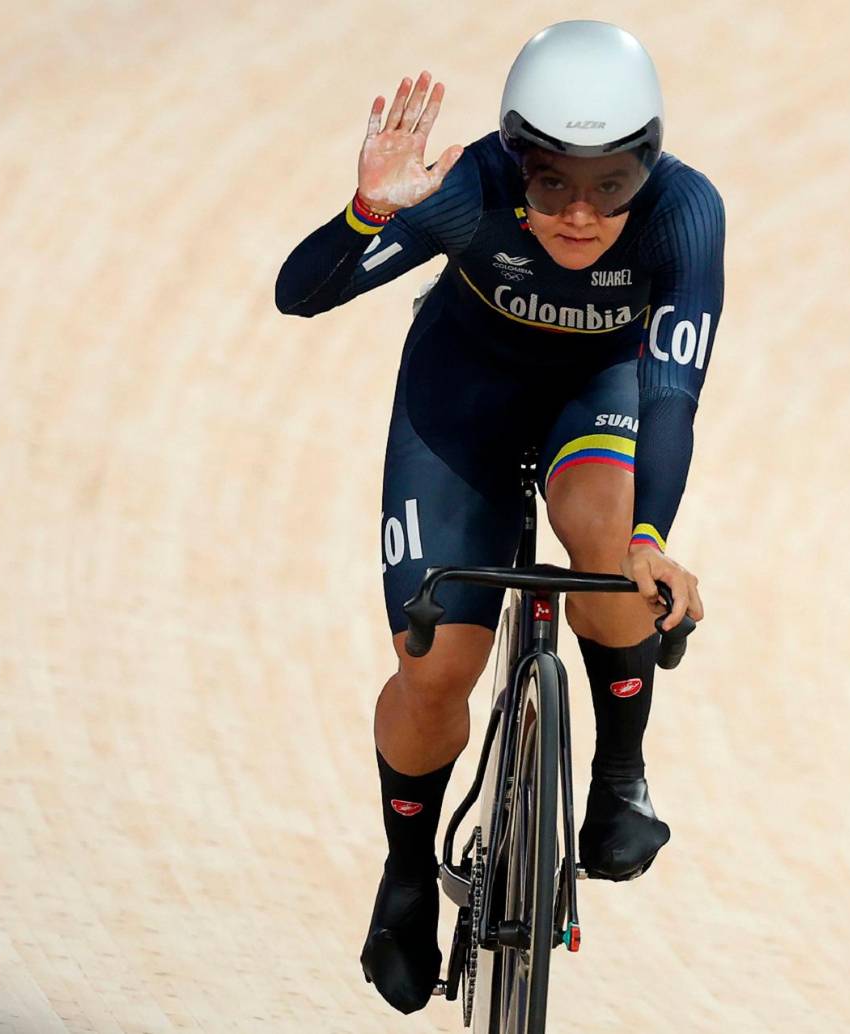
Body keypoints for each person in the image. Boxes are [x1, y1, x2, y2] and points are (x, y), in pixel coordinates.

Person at [275, 19, 724, 1015]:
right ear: (515, 159)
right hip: (461, 398)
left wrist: (652, 540)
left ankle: (619, 772)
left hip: (596, 394)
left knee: (611, 541)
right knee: (436, 669)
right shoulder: (468, 189)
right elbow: (299, 295)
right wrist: (367, 211)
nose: (579, 213)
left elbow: (671, 393)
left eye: (610, 185)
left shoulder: (684, 212)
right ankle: (404, 877)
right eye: (551, 183)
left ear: (649, 167)